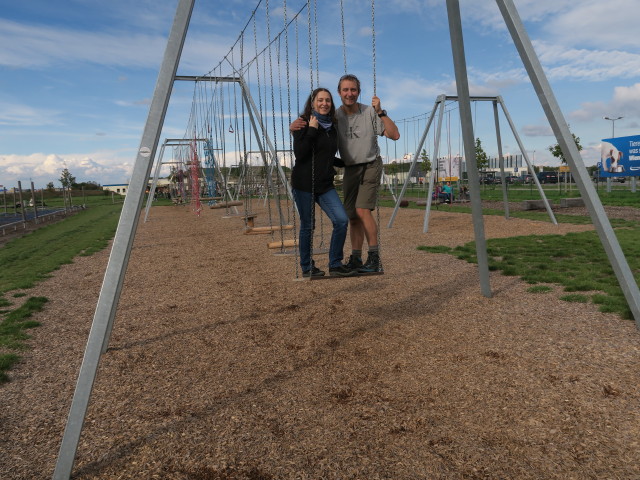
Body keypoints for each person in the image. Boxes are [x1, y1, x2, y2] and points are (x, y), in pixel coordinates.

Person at [291, 74, 400, 274]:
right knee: (348, 217)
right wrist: (298, 128)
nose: (349, 94)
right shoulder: (322, 121)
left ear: (358, 92)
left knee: (356, 213)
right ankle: (352, 259)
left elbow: (394, 135)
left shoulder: (356, 116)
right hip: (330, 175)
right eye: (345, 90)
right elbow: (306, 150)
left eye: (353, 90)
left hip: (361, 168)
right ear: (339, 93)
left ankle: (368, 259)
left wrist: (381, 112)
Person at [291, 88, 356, 278]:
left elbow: (326, 155)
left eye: (327, 100)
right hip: (304, 184)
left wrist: (348, 163)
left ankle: (335, 264)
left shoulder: (333, 127)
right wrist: (312, 129)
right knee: (308, 226)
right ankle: (306, 266)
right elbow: (301, 154)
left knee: (341, 220)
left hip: (325, 184)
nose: (324, 103)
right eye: (320, 100)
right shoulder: (302, 124)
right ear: (312, 103)